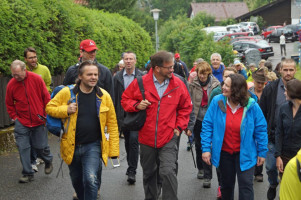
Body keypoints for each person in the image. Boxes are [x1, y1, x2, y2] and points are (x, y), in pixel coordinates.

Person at [121, 51, 192, 200]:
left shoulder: (178, 83)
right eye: (169, 67)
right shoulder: (140, 82)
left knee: (168, 172)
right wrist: (137, 105)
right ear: (157, 68)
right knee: (149, 174)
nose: (172, 70)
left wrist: (179, 127)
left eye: (173, 66)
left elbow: (186, 107)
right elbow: (125, 100)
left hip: (169, 137)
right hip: (146, 137)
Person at [46, 60, 119, 200]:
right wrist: (65, 110)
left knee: (90, 180)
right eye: (89, 74)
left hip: (93, 145)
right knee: (77, 181)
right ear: (80, 76)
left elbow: (112, 124)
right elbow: (49, 108)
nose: (93, 77)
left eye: (96, 74)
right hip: (71, 146)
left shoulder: (104, 96)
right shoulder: (66, 93)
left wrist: (113, 151)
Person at [202, 73, 268, 200]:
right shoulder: (217, 101)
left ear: (237, 90)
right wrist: (205, 149)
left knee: (246, 186)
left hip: (246, 153)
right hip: (225, 154)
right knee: (226, 186)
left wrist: (262, 152)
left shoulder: (252, 105)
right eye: (224, 84)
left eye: (227, 85)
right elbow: (207, 125)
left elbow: (261, 129)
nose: (223, 87)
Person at [5, 60, 53, 183]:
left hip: (39, 120)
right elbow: (9, 103)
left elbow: (46, 98)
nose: (16, 77)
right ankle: (27, 173)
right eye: (13, 75)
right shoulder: (11, 84)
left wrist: (46, 114)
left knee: (40, 147)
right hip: (22, 121)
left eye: (18, 74)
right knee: (23, 147)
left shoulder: (36, 79)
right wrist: (14, 117)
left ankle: (48, 160)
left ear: (24, 70)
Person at [259, 58, 297, 200]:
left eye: (291, 70)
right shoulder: (271, 88)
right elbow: (262, 111)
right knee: (270, 167)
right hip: (272, 135)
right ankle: (273, 184)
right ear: (280, 70)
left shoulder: (299, 88)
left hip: (291, 138)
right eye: (285, 69)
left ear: (295, 71)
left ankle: (285, 193)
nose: (288, 73)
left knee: (289, 170)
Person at [188, 61, 220, 188]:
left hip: (211, 119)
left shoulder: (216, 85)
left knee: (209, 146)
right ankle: (201, 168)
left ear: (208, 73)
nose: (202, 76)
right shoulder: (193, 85)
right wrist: (189, 124)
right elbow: (189, 103)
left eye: (204, 74)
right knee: (199, 145)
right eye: (200, 73)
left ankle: (208, 176)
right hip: (198, 119)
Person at [113, 51, 143, 184]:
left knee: (134, 140)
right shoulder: (117, 77)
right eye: (126, 59)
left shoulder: (142, 76)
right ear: (123, 61)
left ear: (135, 61)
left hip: (137, 113)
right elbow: (113, 97)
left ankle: (132, 171)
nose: (129, 61)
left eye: (131, 59)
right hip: (123, 114)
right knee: (127, 141)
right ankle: (131, 165)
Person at [275, 79, 301, 178]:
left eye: (286, 90)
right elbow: (279, 132)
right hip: (284, 156)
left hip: (299, 157)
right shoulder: (284, 108)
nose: (284, 93)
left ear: (293, 93)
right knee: (285, 187)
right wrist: (278, 156)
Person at [249, 68, 268, 182]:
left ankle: (259, 172)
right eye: (258, 82)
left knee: (261, 145)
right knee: (251, 146)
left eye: (262, 83)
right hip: (251, 124)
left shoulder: (268, 92)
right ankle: (251, 169)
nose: (260, 85)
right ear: (254, 81)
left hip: (264, 124)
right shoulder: (249, 93)